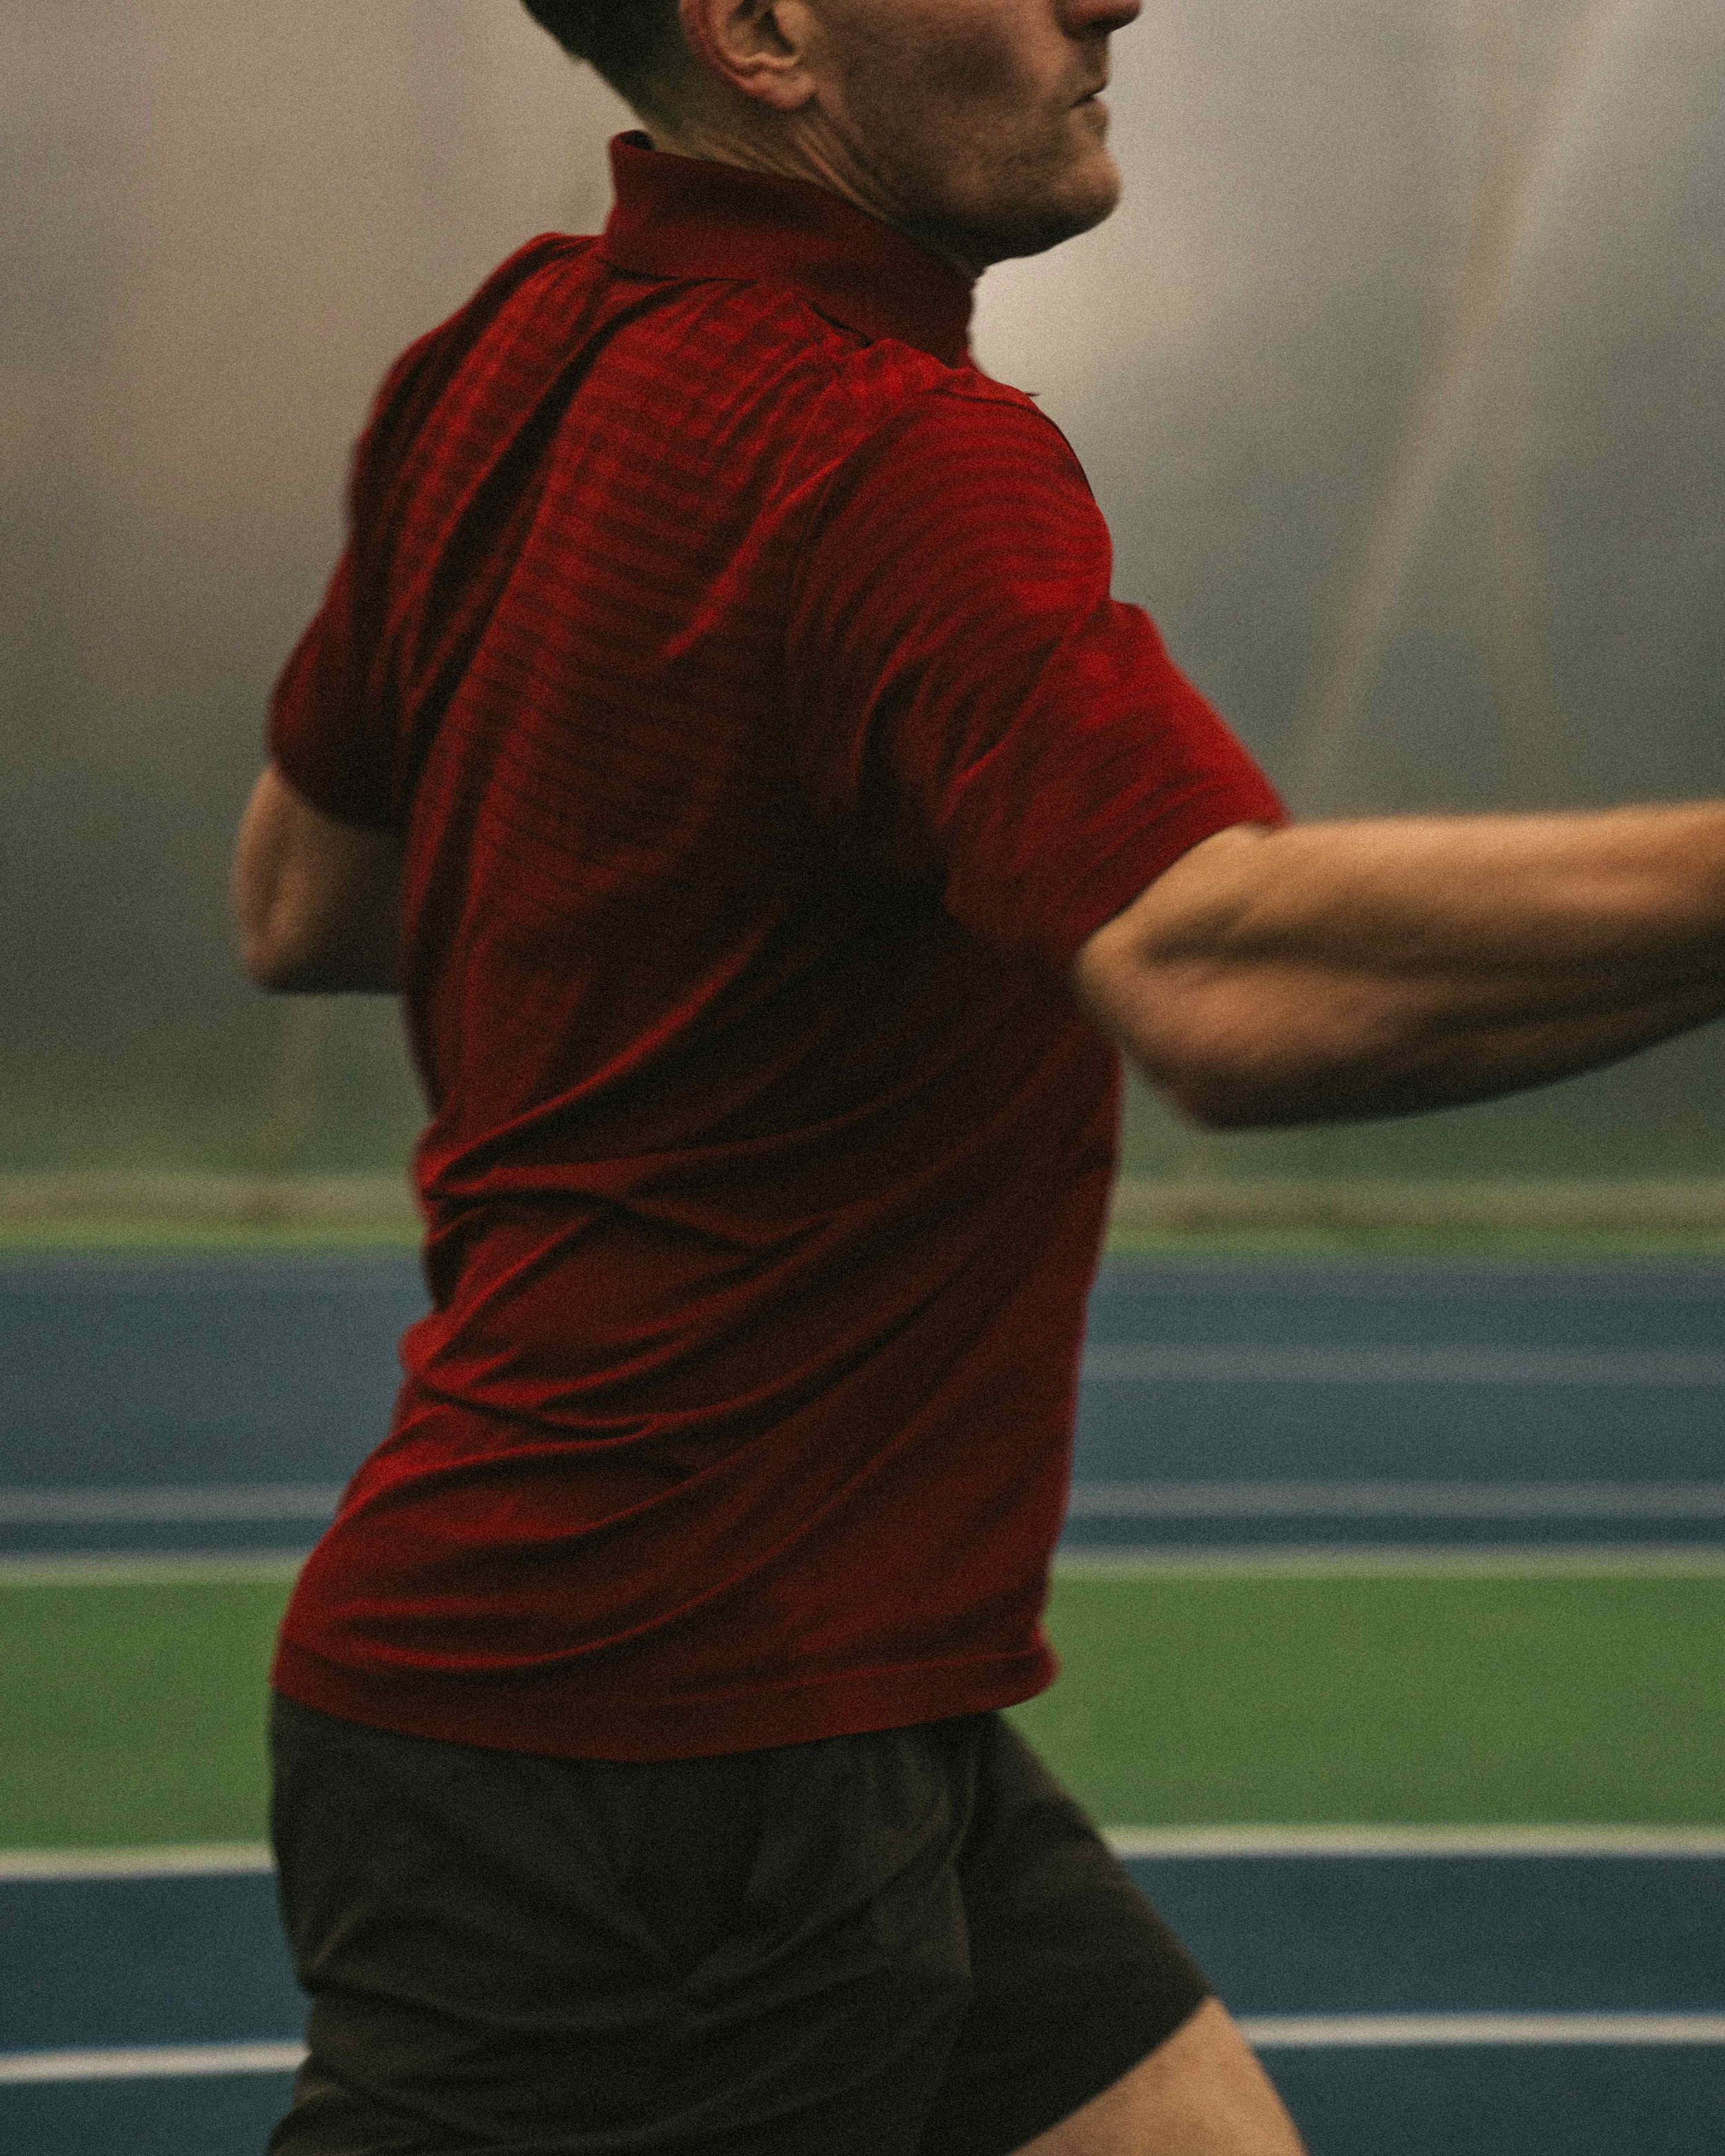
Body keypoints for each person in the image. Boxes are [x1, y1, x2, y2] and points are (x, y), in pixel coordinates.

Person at [233, 1, 1725, 2150]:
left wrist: (756, 845)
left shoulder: (500, 354)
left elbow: (307, 896)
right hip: (659, 1739)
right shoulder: (888, 450)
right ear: (760, 30)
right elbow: (1224, 982)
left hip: (778, 1680)